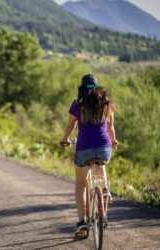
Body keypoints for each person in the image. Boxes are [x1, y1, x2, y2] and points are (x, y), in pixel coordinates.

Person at [59, 74, 118, 238]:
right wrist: (113, 141)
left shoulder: (78, 103)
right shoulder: (106, 103)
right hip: (104, 148)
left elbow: (71, 125)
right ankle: (104, 190)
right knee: (101, 162)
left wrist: (64, 139)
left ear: (82, 87)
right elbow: (110, 127)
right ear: (97, 87)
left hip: (84, 148)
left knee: (80, 184)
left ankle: (82, 223)